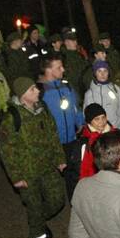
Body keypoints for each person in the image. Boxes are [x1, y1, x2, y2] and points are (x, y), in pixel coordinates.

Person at [0, 77, 67, 238]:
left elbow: (53, 135)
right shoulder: (11, 118)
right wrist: (15, 176)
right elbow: (7, 150)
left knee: (57, 200)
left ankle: (36, 221)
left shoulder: (42, 109)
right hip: (27, 172)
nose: (37, 91)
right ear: (22, 95)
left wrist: (59, 158)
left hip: (47, 166)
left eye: (35, 88)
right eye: (32, 90)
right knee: (34, 206)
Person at [39, 55, 85, 198]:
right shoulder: (39, 91)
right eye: (58, 67)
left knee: (74, 173)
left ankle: (75, 202)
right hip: (53, 142)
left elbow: (75, 107)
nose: (63, 69)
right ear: (48, 70)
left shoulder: (67, 86)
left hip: (71, 138)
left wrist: (80, 123)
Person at [83, 57, 120, 131]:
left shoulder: (115, 89)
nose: (102, 74)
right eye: (99, 71)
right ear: (95, 73)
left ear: (108, 73)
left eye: (105, 71)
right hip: (99, 132)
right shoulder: (89, 94)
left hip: (118, 128)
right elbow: (87, 116)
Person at [78, 103, 114, 180]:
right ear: (89, 121)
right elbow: (85, 169)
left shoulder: (114, 134)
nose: (101, 122)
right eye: (96, 119)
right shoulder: (86, 142)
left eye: (103, 117)